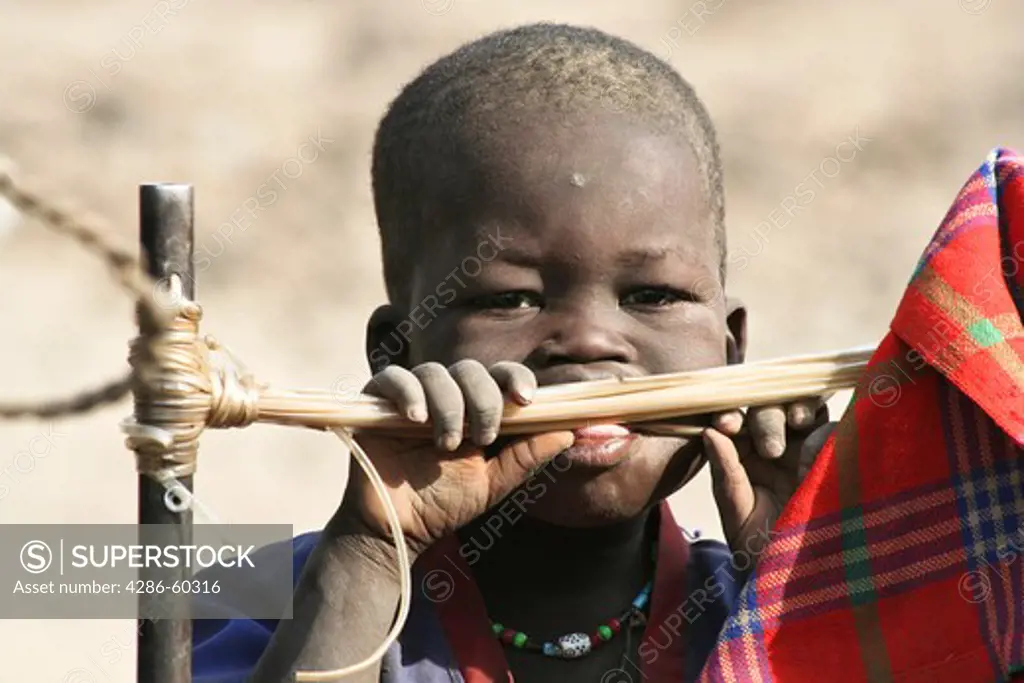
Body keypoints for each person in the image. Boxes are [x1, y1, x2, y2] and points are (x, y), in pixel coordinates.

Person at [192, 23, 835, 683]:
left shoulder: (772, 600)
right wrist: (371, 550)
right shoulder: (240, 591)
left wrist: (811, 580)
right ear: (396, 354)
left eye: (652, 294)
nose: (589, 340)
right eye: (512, 300)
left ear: (733, 353)